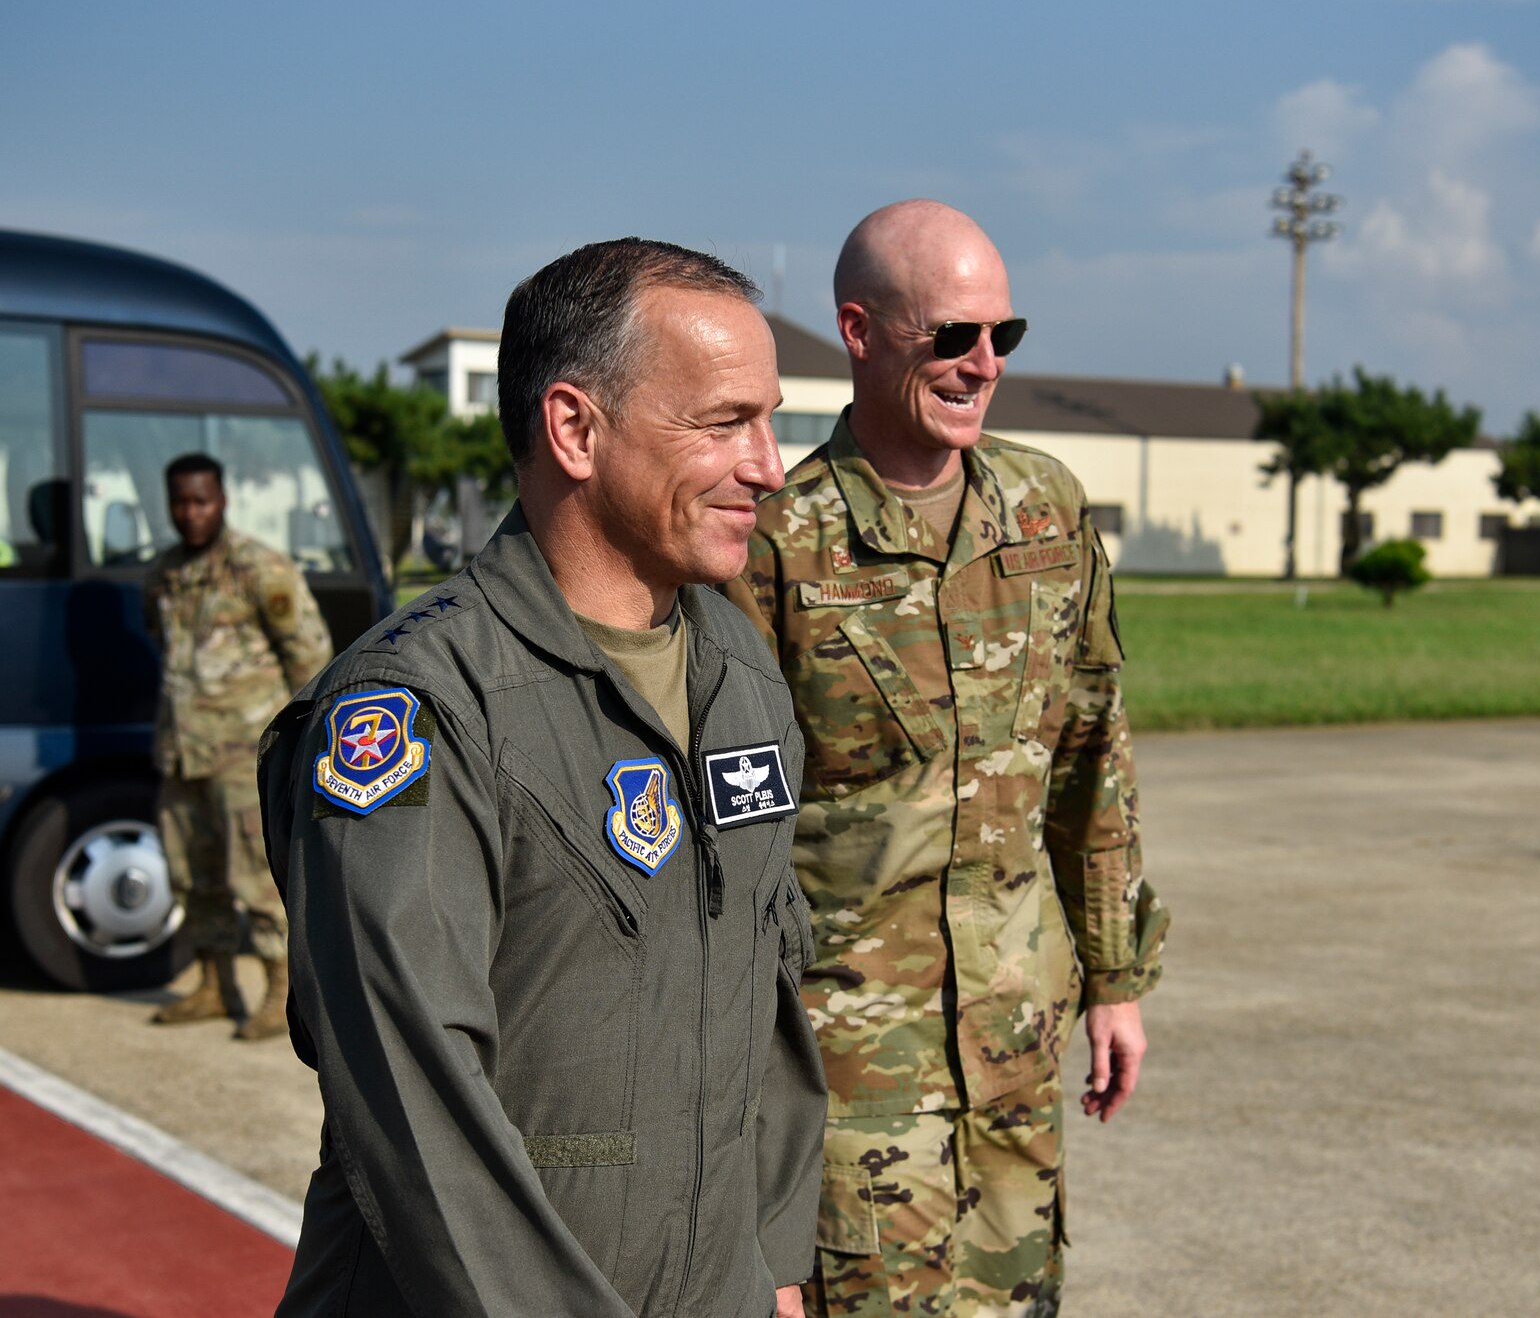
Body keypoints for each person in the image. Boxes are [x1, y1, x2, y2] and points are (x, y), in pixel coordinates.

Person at [259, 240, 827, 1317]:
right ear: (574, 427)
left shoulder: (741, 674)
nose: (769, 465)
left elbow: (769, 1004)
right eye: (722, 422)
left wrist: (775, 1266)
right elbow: (413, 1103)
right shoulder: (417, 708)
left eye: (770, 420)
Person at [724, 200, 1169, 1316]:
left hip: (1017, 1039)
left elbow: (1089, 753)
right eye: (951, 338)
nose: (982, 365)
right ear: (859, 333)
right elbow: (724, 824)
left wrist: (1114, 981)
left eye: (1001, 337)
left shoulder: (1046, 511)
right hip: (853, 1070)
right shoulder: (776, 537)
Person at [146, 452, 329, 1040]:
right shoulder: (165, 574)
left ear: (222, 501)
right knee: (191, 872)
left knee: (255, 875)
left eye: (201, 501)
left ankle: (279, 989)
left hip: (242, 756)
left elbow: (309, 656)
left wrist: (302, 745)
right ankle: (213, 983)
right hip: (182, 751)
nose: (190, 513)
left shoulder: (259, 569)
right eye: (181, 503)